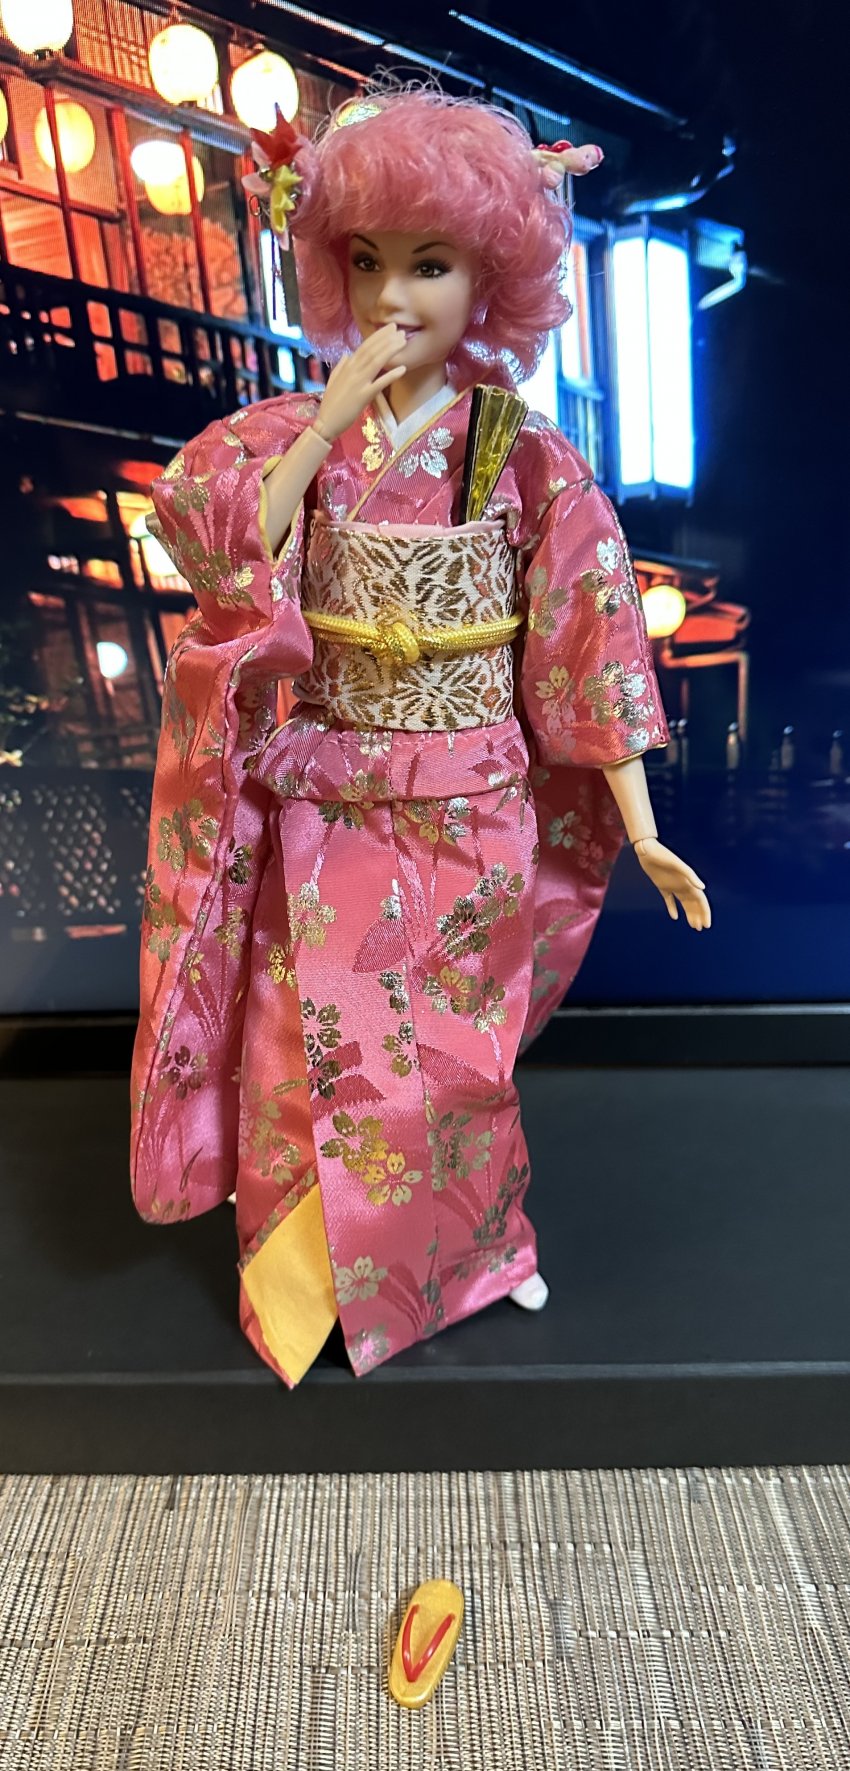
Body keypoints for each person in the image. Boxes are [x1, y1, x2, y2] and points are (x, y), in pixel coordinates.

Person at [130, 87, 710, 1388]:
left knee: (456, 1056)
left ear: (490, 275)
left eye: (430, 264)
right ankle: (306, 1285)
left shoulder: (525, 455)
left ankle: (476, 1258)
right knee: (304, 1042)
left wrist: (640, 827)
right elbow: (226, 554)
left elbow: (587, 636)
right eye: (368, 261)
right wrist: (325, 425)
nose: (396, 296)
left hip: (467, 801)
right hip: (330, 791)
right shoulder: (287, 437)